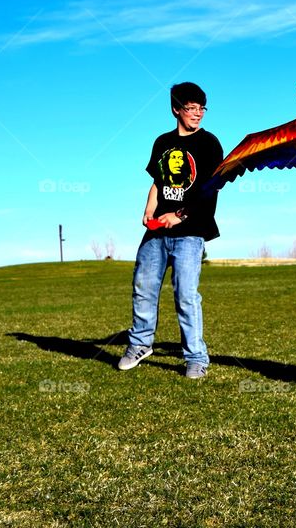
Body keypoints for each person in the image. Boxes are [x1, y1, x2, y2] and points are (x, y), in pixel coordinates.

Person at [118, 82, 224, 379]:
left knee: (186, 294)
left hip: (190, 231)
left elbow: (211, 188)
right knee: (143, 287)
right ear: (176, 109)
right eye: (191, 108)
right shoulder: (162, 142)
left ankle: (196, 358)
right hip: (156, 231)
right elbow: (157, 181)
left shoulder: (209, 143)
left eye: (202, 108)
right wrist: (149, 209)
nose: (198, 114)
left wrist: (180, 215)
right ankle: (140, 344)